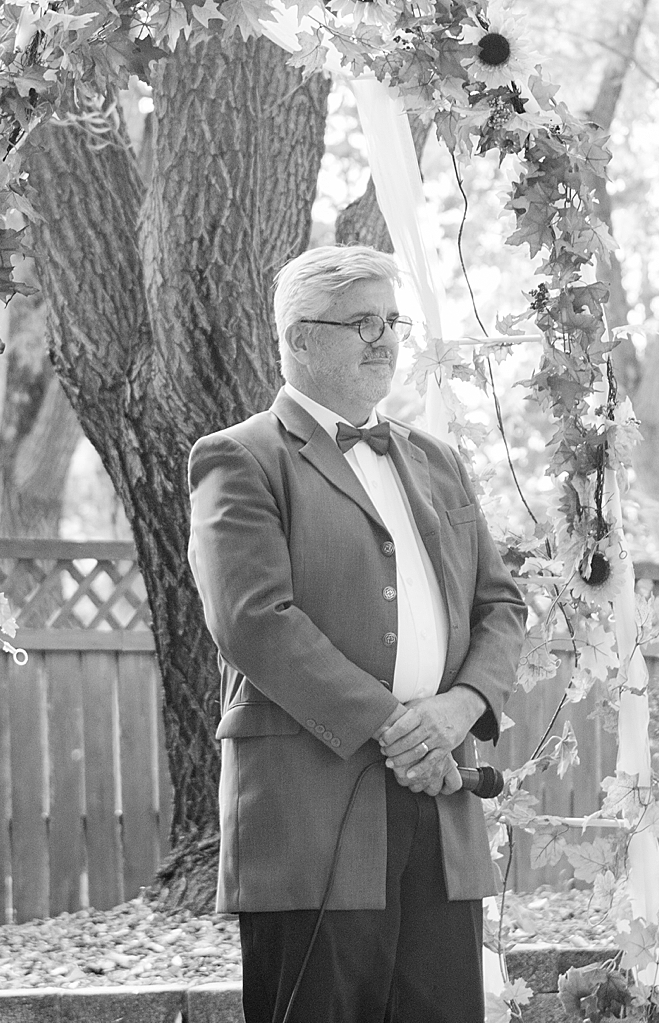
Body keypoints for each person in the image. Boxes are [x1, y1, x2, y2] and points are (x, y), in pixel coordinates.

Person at [187, 245, 527, 1022]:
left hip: (441, 798)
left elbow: (500, 606)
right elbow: (253, 621)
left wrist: (460, 708)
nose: (384, 339)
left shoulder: (438, 460)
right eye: (359, 322)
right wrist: (395, 725)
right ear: (299, 340)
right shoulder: (238, 458)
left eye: (391, 321)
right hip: (312, 807)